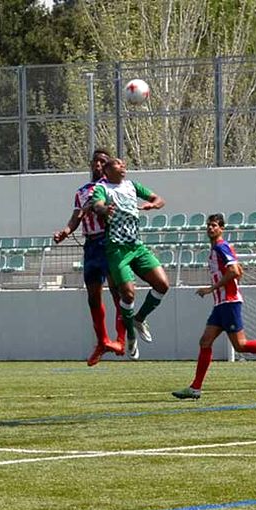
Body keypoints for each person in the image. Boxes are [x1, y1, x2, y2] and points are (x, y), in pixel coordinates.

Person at [172, 213, 256, 400]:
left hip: (229, 302)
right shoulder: (217, 249)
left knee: (240, 345)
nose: (210, 228)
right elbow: (238, 269)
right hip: (221, 304)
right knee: (205, 342)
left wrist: (211, 288)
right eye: (208, 225)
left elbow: (234, 271)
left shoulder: (220, 246)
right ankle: (195, 388)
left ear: (222, 228)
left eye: (214, 225)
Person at [89, 158, 170, 359]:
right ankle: (131, 337)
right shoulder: (102, 188)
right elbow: (96, 205)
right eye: (118, 163)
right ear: (107, 169)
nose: (123, 165)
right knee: (128, 294)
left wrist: (154, 205)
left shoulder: (132, 185)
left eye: (124, 163)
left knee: (162, 284)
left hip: (136, 244)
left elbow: (158, 198)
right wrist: (103, 209)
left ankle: (139, 319)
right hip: (116, 248)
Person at [53, 149, 125, 366]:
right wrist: (65, 231)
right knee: (93, 296)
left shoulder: (112, 188)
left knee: (117, 292)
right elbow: (76, 216)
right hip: (91, 244)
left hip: (110, 240)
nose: (98, 165)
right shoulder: (82, 191)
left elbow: (107, 209)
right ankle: (102, 341)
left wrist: (98, 208)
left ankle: (122, 339)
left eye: (103, 161)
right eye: (95, 161)